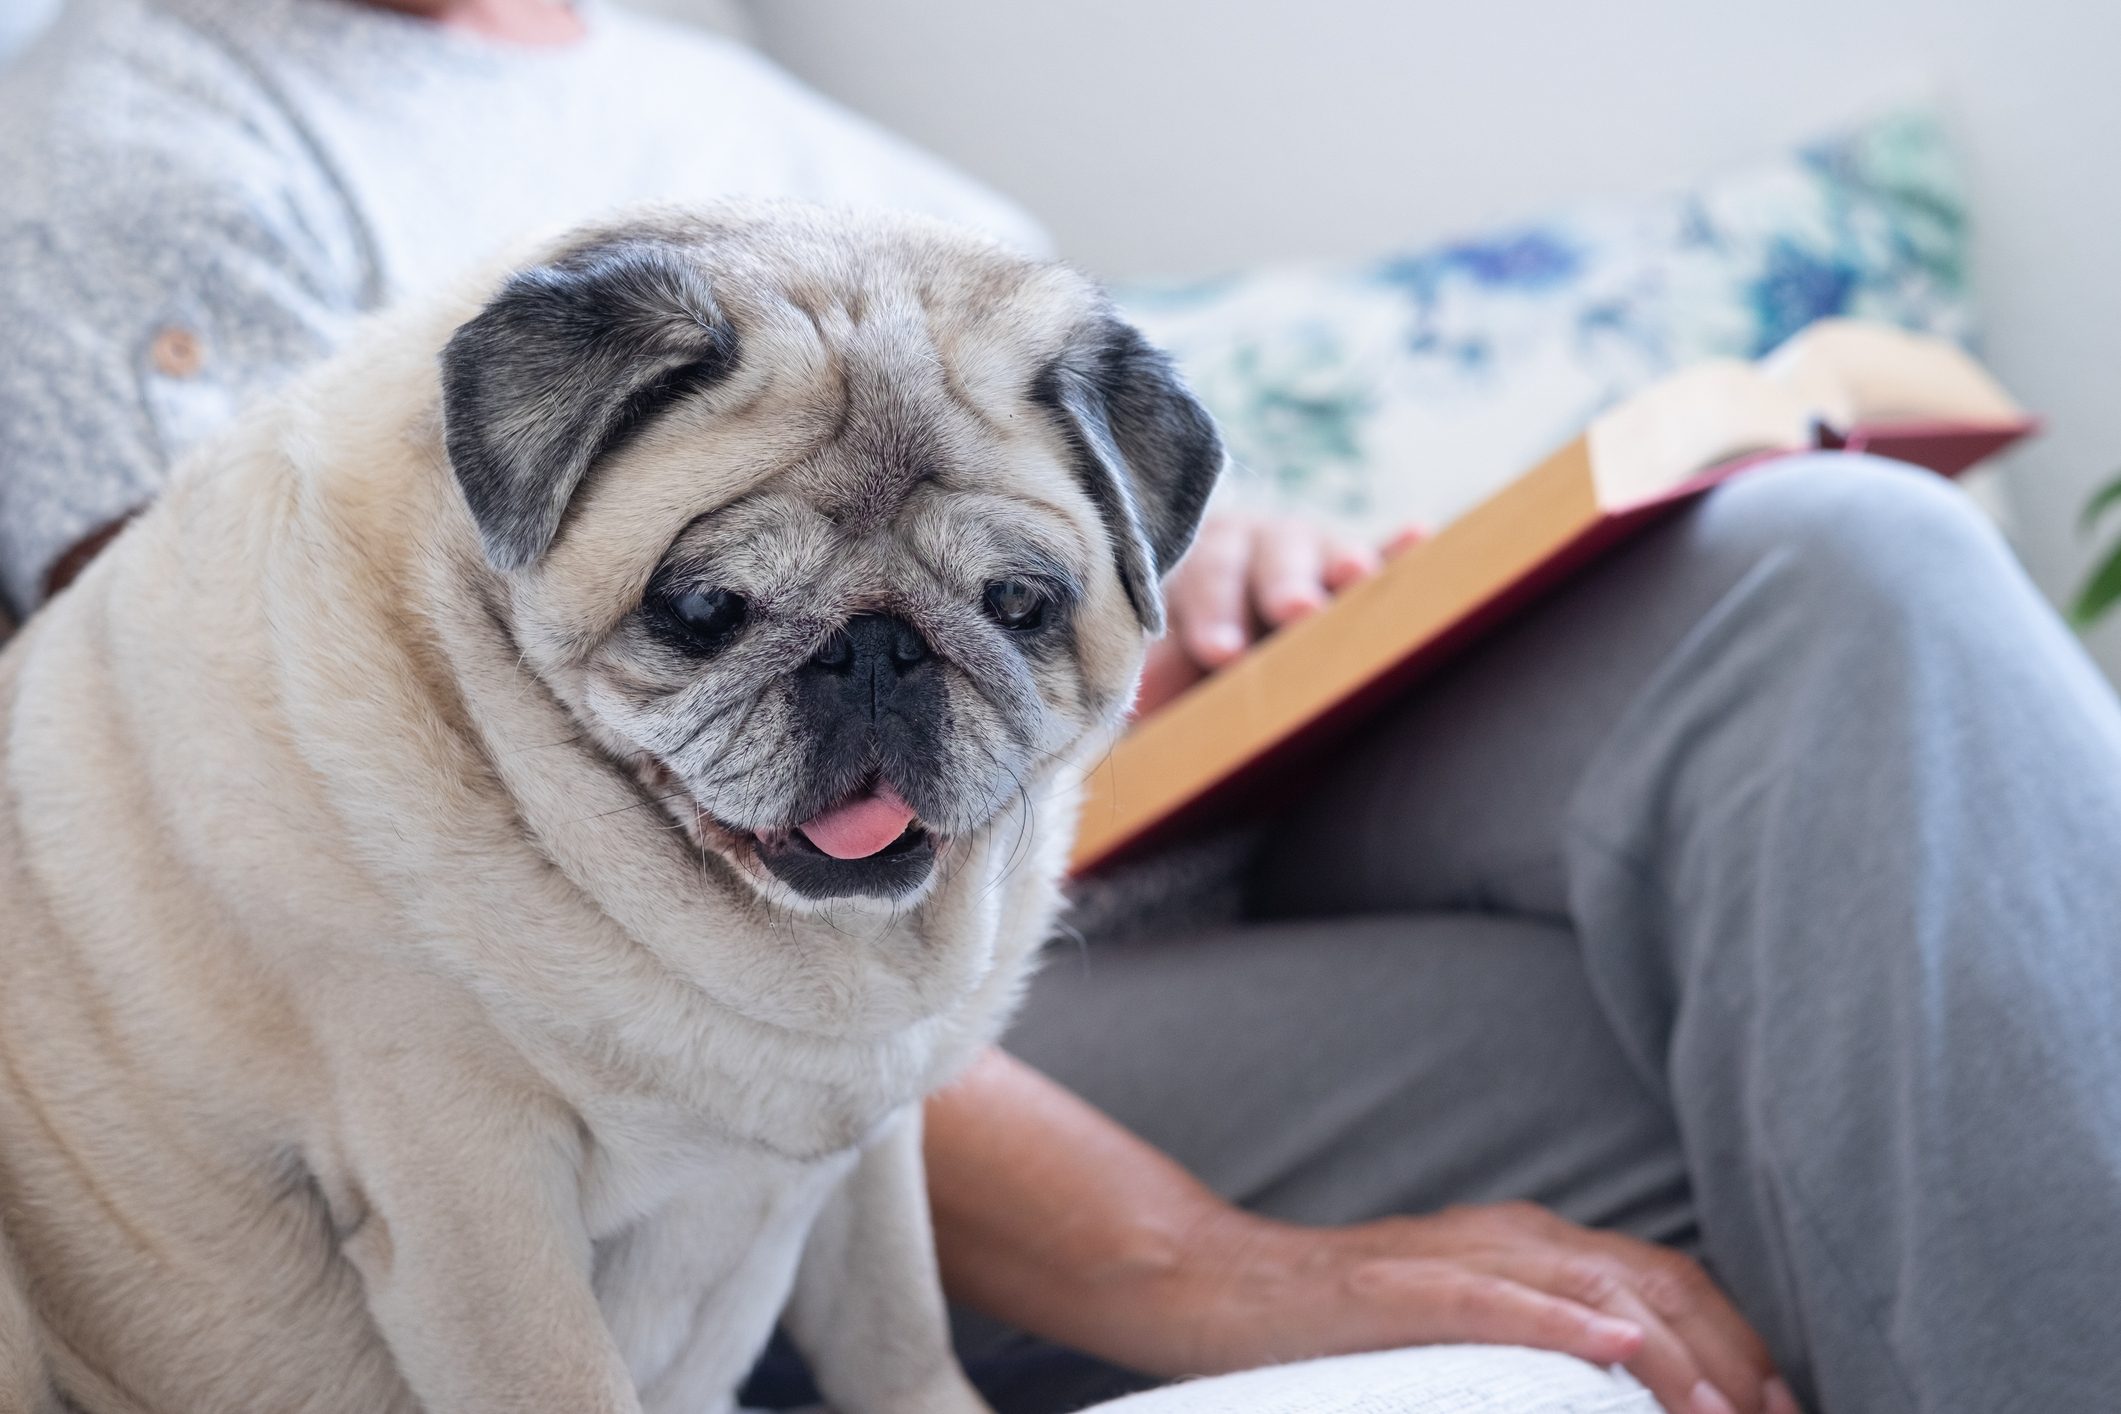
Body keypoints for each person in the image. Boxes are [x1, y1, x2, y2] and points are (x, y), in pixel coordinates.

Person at [4, 3, 2120, 1413]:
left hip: (1167, 796)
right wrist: (1203, 1264)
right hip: (857, 1018)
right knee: (1837, 1052)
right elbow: (312, 904)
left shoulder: (740, 106)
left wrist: (1237, 586)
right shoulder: (151, 145)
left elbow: (1053, 534)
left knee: (1847, 567)